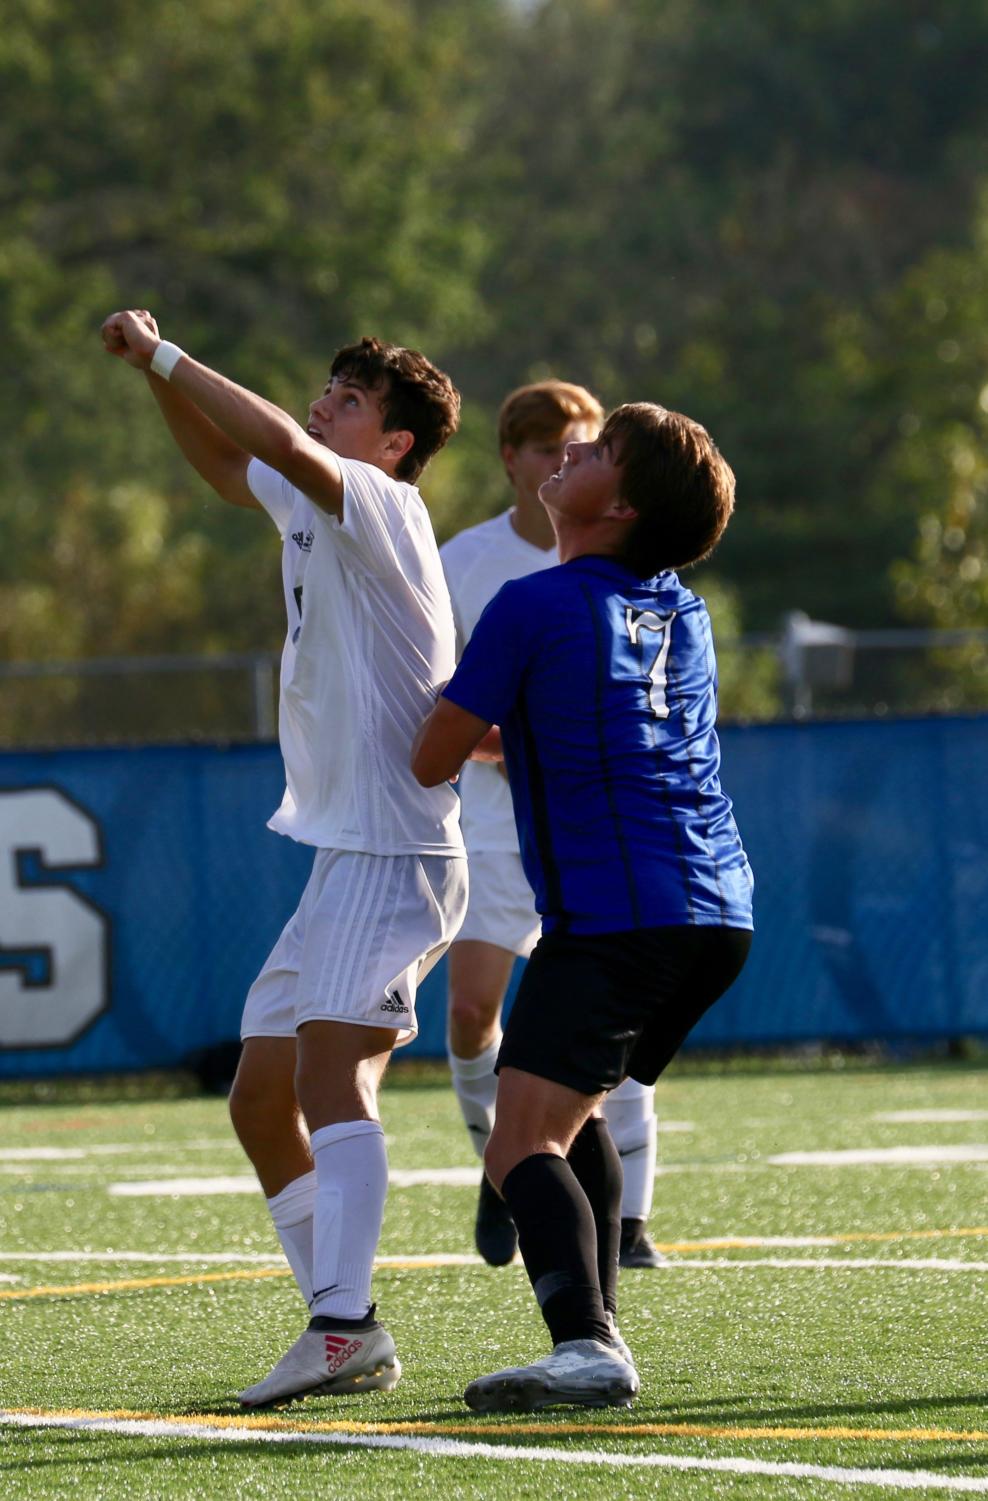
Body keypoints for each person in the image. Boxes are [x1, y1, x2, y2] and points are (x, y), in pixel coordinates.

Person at [101, 309, 467, 1408]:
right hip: (345, 851)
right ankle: (344, 1325)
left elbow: (276, 449)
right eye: (327, 389)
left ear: (396, 443)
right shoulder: (318, 501)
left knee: (327, 1078)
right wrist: (152, 380)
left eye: (350, 400)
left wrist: (168, 353)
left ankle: (343, 1325)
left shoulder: (383, 503)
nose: (324, 404)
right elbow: (229, 465)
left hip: (390, 845)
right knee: (263, 1100)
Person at [412, 401, 753, 1412]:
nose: (573, 452)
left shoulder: (532, 601)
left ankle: (586, 1343)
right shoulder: (678, 610)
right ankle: (596, 1324)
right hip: (714, 910)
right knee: (574, 1109)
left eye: (598, 451)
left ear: (624, 505)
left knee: (517, 1139)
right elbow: (570, 736)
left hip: (618, 914)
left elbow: (431, 755)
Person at [440, 381, 666, 1269]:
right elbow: (444, 705)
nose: (563, 460)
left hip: (594, 828)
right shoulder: (464, 560)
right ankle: (504, 1172)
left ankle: (630, 1219)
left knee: (617, 1025)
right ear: (511, 457)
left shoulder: (633, 563)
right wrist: (497, 742)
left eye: (582, 447)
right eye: (547, 448)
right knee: (469, 1015)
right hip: (494, 827)